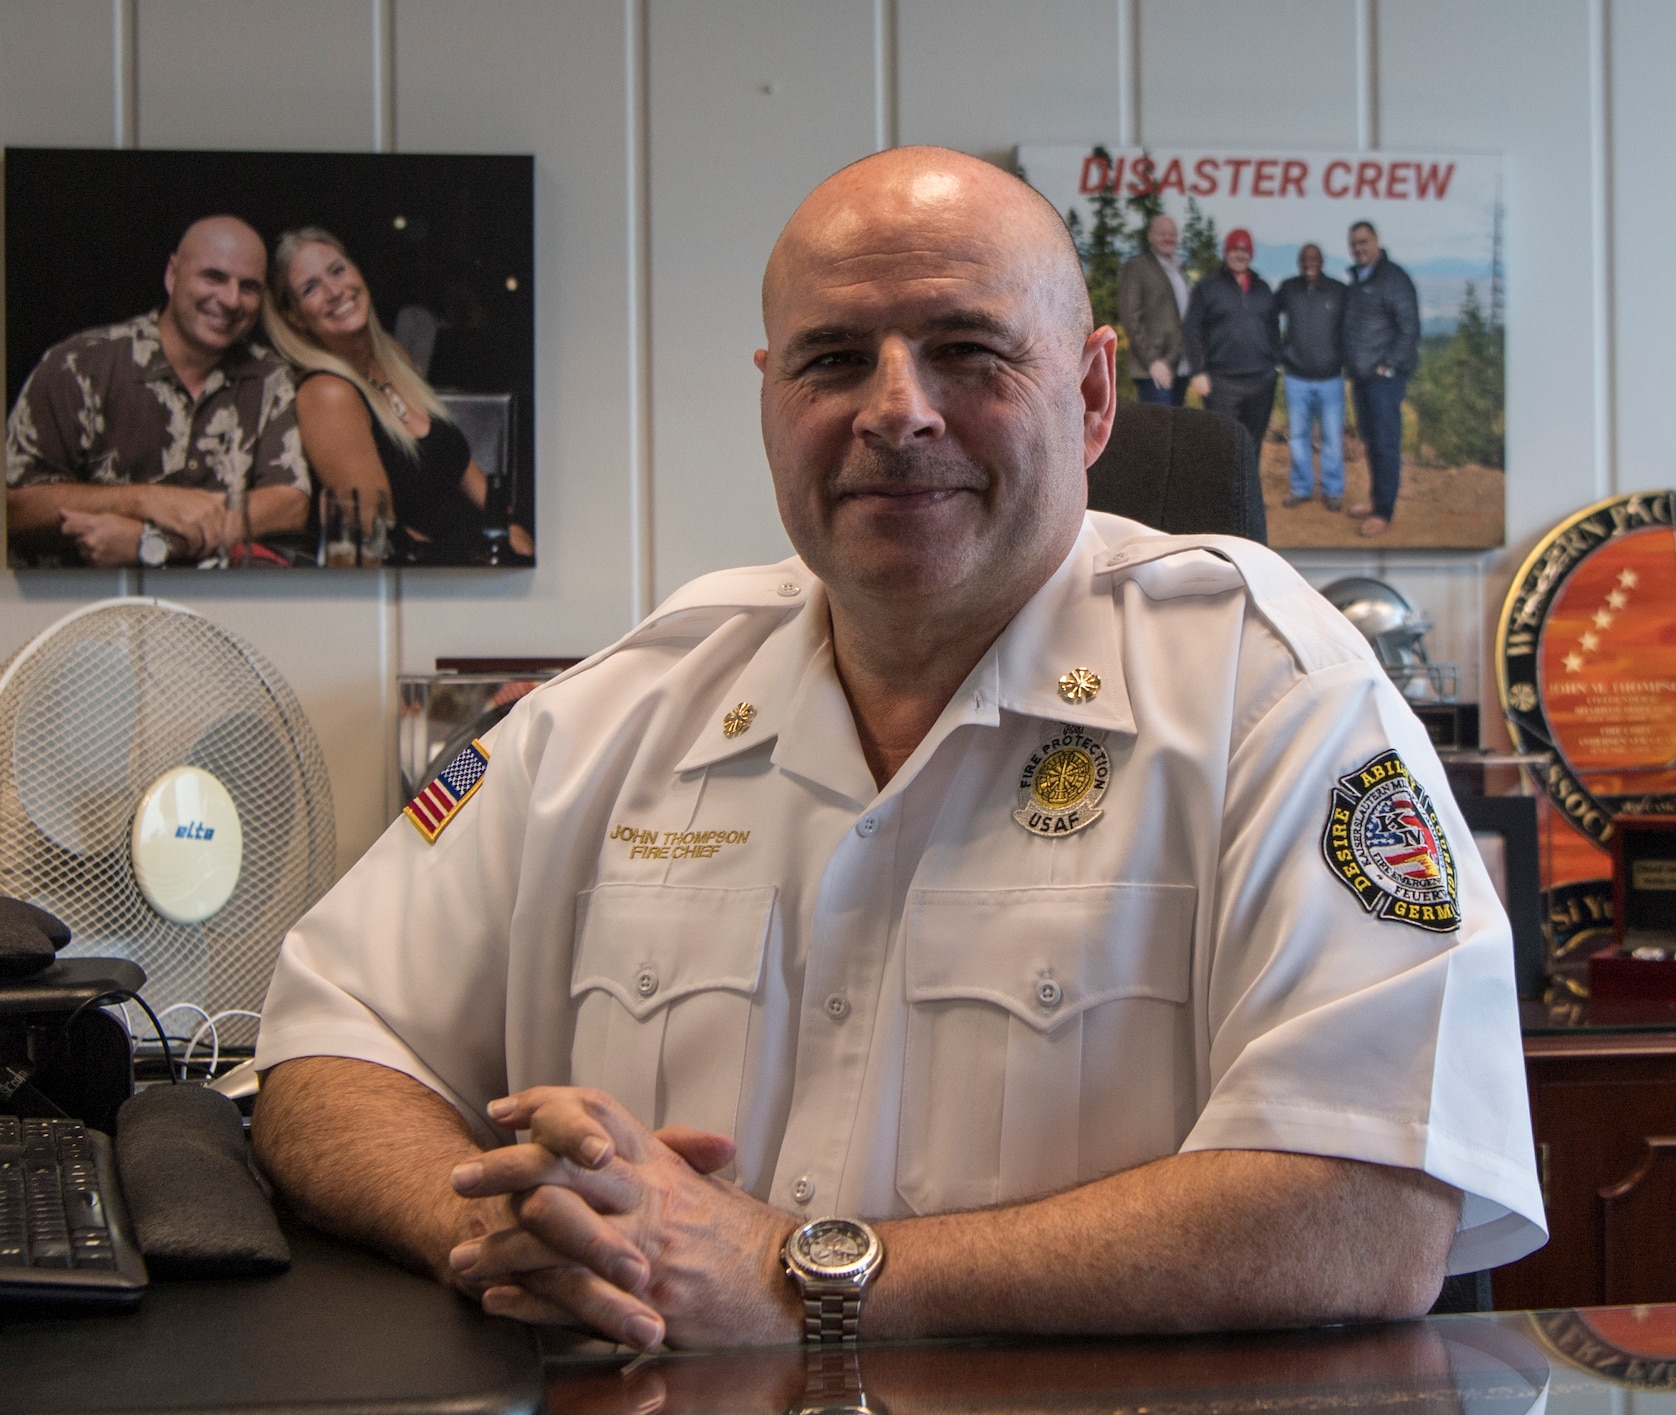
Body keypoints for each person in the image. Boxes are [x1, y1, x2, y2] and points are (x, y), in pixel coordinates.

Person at [250, 147, 1543, 1353]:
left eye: (968, 350)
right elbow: (322, 1041)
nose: (896, 409)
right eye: (831, 361)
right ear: (769, 401)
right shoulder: (619, 711)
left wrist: (790, 1273)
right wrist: (500, 1227)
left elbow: (1373, 1207)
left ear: (1094, 393)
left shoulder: (1274, 695)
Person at [4, 215, 310, 567]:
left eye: (249, 287)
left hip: (218, 614)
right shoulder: (78, 364)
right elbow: (15, 509)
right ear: (173, 274)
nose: (230, 299)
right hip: (82, 610)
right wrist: (145, 501)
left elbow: (290, 504)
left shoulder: (268, 375)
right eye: (213, 277)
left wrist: (156, 542)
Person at [262, 227, 534, 564]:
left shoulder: (395, 359)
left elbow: (468, 474)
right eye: (310, 288)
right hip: (426, 580)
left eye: (338, 270)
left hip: (477, 562)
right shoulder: (327, 393)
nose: (335, 291)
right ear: (294, 318)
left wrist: (507, 527)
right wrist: (481, 551)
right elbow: (383, 538)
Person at [1340, 222, 1420, 538]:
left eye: (1364, 242)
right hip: (1362, 377)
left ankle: (1384, 511)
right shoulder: (1360, 280)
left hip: (1384, 378)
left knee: (1386, 443)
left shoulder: (1393, 278)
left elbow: (1409, 327)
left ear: (1376, 241)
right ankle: (1376, 499)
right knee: (1372, 442)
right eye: (1354, 244)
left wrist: (1390, 365)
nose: (1359, 248)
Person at [1183, 228, 1280, 447]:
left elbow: (1273, 327)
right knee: (1223, 443)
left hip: (1261, 381)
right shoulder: (1207, 287)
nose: (1240, 254)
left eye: (1245, 250)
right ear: (1226, 252)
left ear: (1251, 254)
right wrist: (1198, 371)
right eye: (1235, 249)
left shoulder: (1262, 288)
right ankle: (1224, 484)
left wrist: (1274, 364)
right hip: (1221, 383)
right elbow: (1191, 330)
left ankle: (1251, 483)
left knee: (1253, 446)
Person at [1274, 243, 1347, 511]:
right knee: (1299, 437)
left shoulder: (1339, 291)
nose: (1309, 263)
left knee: (1331, 437)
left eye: (1314, 258)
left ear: (1322, 261)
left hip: (1331, 379)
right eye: (1304, 259)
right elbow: (1267, 317)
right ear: (1299, 262)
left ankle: (1333, 490)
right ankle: (1301, 487)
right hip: (1296, 378)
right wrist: (1280, 352)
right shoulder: (1288, 289)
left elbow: (1352, 327)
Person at [1117, 213, 1190, 405]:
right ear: (1150, 236)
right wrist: (1152, 361)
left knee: (1176, 429)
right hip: (1154, 368)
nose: (1168, 238)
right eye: (1162, 233)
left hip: (1180, 365)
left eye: (1172, 234)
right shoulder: (1137, 267)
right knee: (1159, 430)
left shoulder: (1180, 269)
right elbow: (1130, 316)